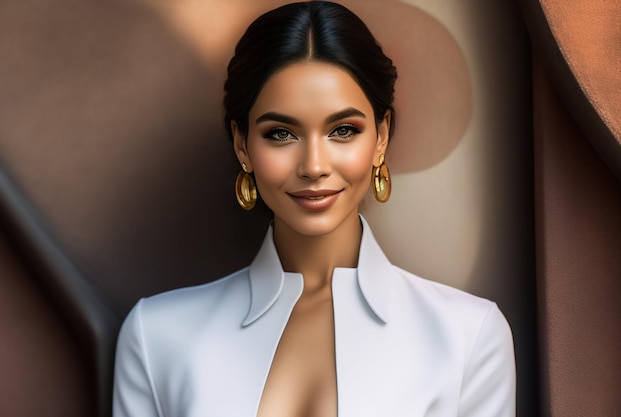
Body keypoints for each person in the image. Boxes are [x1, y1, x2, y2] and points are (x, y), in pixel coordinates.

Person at [112, 2, 516, 416]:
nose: (314, 166)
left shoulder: (469, 337)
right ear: (241, 144)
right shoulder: (155, 336)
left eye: (343, 130)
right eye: (282, 134)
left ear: (381, 137)